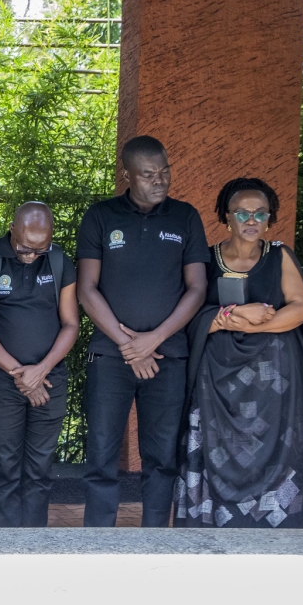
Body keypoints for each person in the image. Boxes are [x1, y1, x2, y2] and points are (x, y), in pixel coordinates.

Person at [76, 135, 209, 527]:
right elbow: (86, 288)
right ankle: (97, 543)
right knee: (101, 454)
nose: (160, 180)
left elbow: (198, 287)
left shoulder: (185, 217)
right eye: (149, 173)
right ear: (127, 174)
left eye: (165, 170)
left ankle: (155, 542)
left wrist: (153, 340)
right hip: (110, 356)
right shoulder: (101, 217)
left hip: (169, 357)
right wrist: (128, 344)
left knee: (162, 456)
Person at [175, 178, 303, 527]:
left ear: (270, 218)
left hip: (276, 382)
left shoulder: (280, 255)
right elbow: (191, 317)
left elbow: (300, 309)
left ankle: (275, 525)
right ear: (227, 216)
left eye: (260, 213)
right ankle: (211, 525)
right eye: (242, 213)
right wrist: (230, 317)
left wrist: (249, 323)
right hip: (217, 380)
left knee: (277, 450)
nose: (252, 220)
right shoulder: (205, 259)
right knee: (212, 446)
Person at [0, 203, 79, 527]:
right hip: (2, 382)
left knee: (39, 469)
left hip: (49, 380)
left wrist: (41, 371)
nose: (31, 256)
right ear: (11, 228)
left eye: (40, 249)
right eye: (24, 247)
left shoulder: (60, 262)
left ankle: (35, 543)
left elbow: (71, 324)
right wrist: (20, 375)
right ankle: (4, 545)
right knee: (5, 466)